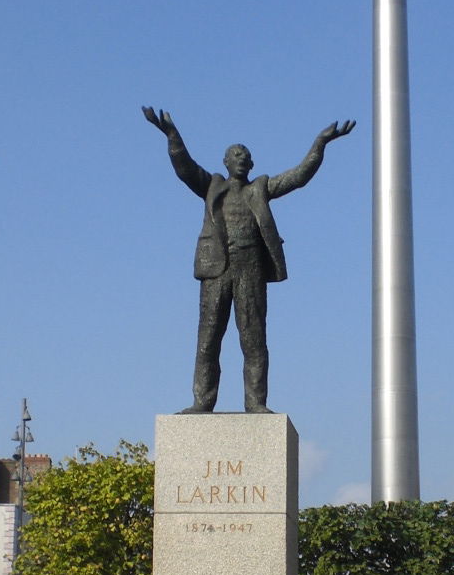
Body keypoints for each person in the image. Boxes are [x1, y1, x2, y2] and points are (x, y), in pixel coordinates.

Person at [142, 106, 355, 413]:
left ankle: (255, 402)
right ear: (226, 163)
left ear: (252, 163)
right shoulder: (212, 185)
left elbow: (298, 176)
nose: (241, 159)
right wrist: (172, 134)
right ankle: (202, 401)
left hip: (250, 269)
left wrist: (319, 144)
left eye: (245, 156)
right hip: (216, 268)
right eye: (235, 156)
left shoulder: (261, 188)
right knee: (208, 339)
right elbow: (184, 167)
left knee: (253, 340)